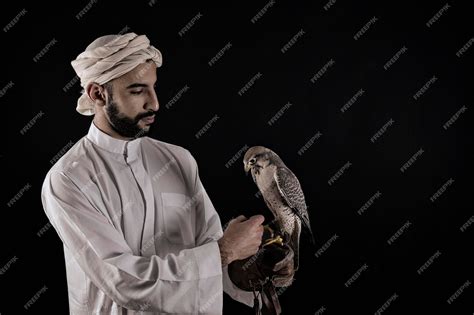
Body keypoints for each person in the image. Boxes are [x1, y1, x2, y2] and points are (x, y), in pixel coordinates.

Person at [41, 32, 264, 314]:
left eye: (153, 87)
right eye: (137, 90)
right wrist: (225, 251)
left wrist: (255, 270)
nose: (154, 103)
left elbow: (212, 256)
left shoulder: (178, 159)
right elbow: (123, 280)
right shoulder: (68, 179)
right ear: (97, 93)